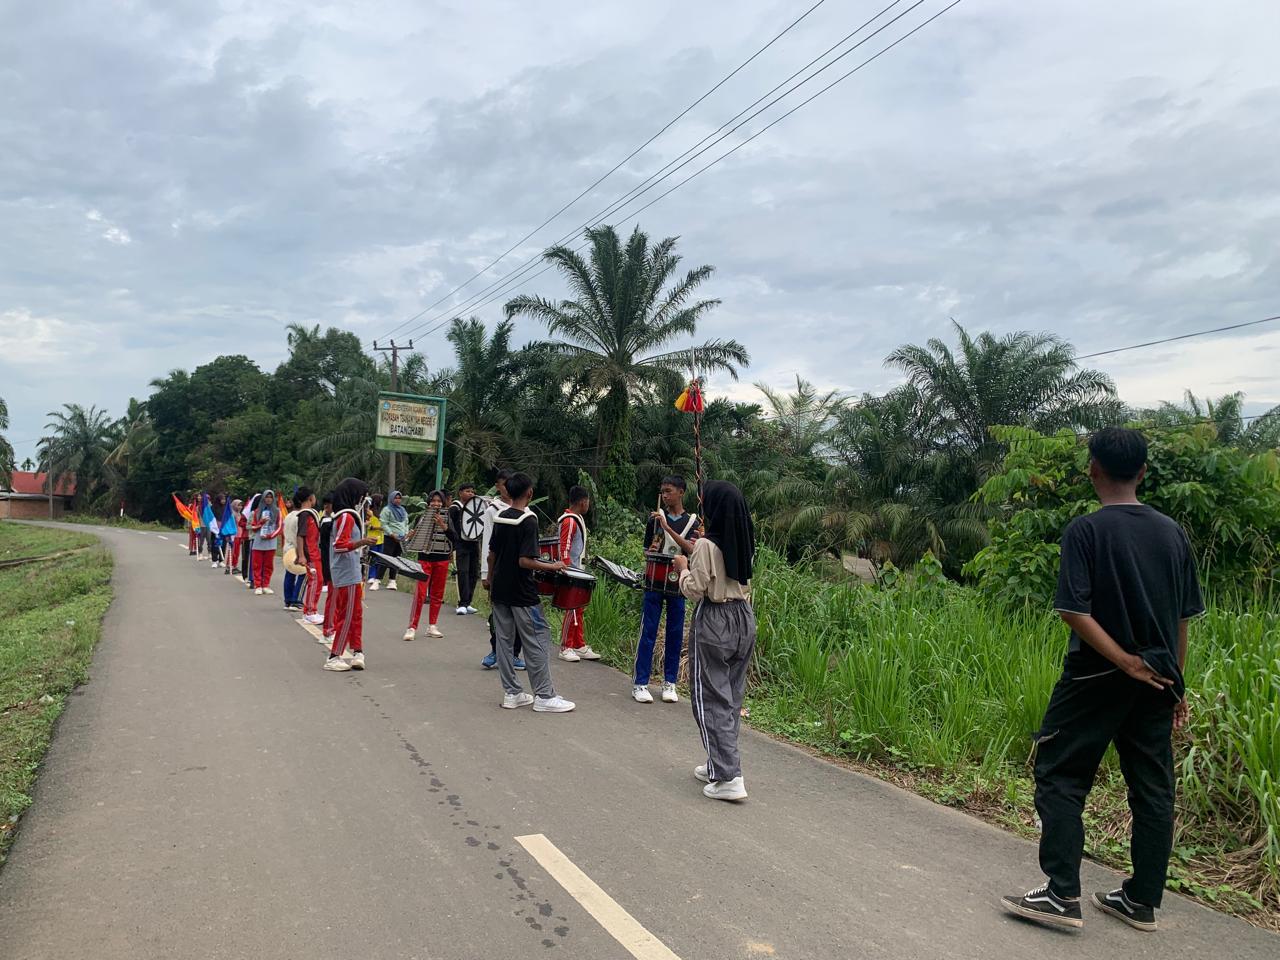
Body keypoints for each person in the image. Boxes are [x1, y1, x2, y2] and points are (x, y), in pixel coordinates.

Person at [1002, 428, 1204, 932]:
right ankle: (1140, 901)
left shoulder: (1086, 531)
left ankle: (1061, 895)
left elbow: (1074, 610)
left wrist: (1123, 660)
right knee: (1153, 788)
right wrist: (1174, 681)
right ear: (1142, 472)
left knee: (1061, 773)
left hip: (1095, 675)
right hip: (1159, 677)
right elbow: (1181, 618)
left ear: (1092, 468)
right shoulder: (1172, 532)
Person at [672, 480, 755, 802]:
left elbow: (696, 588)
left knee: (709, 698)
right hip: (743, 618)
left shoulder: (707, 545)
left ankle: (729, 776)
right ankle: (719, 763)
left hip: (716, 619)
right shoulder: (743, 541)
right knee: (730, 696)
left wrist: (682, 569)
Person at [485, 472, 575, 713]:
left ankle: (512, 693)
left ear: (508, 491)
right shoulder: (528, 520)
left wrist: (489, 579)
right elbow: (525, 561)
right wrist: (553, 565)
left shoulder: (501, 517)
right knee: (537, 639)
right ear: (529, 493)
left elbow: (491, 554)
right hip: (522, 592)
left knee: (504, 642)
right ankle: (544, 695)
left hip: (500, 589)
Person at [633, 475, 700, 704]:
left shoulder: (693, 521)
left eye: (669, 491)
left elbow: (692, 549)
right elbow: (646, 549)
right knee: (648, 630)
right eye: (662, 491)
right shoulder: (654, 519)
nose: (665, 495)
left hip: (678, 582)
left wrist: (667, 528)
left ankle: (669, 682)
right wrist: (653, 546)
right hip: (654, 579)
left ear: (681, 492)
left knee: (675, 632)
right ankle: (640, 682)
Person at [324, 478, 374, 672]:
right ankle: (334, 655)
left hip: (350, 571)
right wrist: (362, 542)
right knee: (346, 615)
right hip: (346, 573)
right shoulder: (346, 517)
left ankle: (357, 650)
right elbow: (339, 545)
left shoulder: (345, 515)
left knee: (356, 613)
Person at [479, 470, 523, 671]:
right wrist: (485, 573)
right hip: (498, 570)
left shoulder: (526, 511)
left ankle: (514, 653)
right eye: (504, 484)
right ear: (498, 486)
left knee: (520, 615)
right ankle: (496, 650)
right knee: (498, 614)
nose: (507, 488)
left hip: (520, 570)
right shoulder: (492, 510)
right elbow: (488, 542)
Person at [556, 485, 601, 663]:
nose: (588, 504)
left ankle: (578, 644)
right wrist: (567, 572)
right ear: (583, 502)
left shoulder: (578, 519)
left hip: (579, 572)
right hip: (571, 573)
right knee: (571, 609)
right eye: (588, 501)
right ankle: (565, 646)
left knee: (579, 609)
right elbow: (564, 548)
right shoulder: (569, 521)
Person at [403, 490, 455, 641]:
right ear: (429, 502)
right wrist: (410, 536)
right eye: (434, 501)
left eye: (439, 501)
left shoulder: (448, 517)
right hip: (424, 559)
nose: (436, 504)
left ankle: (432, 625)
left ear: (443, 503)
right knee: (420, 593)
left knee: (437, 594)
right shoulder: (421, 517)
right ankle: (412, 627)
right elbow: (409, 541)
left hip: (442, 559)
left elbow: (455, 538)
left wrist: (443, 525)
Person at [449, 482, 485, 615]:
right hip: (461, 544)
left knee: (473, 573)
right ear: (460, 493)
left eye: (472, 491)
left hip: (473, 543)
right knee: (462, 572)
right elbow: (450, 527)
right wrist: (453, 545)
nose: (471, 494)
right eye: (468, 491)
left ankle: (468, 602)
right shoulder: (455, 508)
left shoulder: (476, 507)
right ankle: (462, 603)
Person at [294, 487, 324, 625]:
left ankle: (312, 610)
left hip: (315, 552)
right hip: (309, 554)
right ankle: (309, 612)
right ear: (311, 498)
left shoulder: (311, 514)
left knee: (318, 581)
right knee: (314, 581)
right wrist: (301, 555)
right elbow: (300, 535)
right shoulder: (304, 514)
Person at [249, 490, 282, 596]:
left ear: (273, 499)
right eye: (266, 497)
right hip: (258, 541)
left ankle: (266, 585)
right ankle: (258, 585)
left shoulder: (277, 511)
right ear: (263, 498)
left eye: (270, 497)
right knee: (257, 564)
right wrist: (260, 523)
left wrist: (271, 536)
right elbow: (252, 527)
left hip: (271, 542)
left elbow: (280, 527)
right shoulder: (257, 511)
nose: (268, 499)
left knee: (268, 565)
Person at [376, 491, 408, 591]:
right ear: (391, 499)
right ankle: (377, 579)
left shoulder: (403, 510)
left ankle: (392, 581)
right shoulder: (387, 510)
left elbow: (406, 523)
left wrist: (405, 533)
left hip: (401, 538)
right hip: (390, 537)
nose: (398, 500)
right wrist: (391, 533)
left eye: (399, 498)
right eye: (396, 498)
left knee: (396, 559)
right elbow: (383, 523)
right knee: (386, 558)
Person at [281, 493, 305, 610]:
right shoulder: (301, 516)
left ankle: (288, 600)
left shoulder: (288, 516)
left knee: (289, 574)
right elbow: (299, 536)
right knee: (303, 573)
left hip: (287, 547)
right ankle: (296, 599)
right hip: (296, 548)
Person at [319, 495, 336, 643]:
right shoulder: (327, 521)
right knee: (333, 598)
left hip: (334, 565)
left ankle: (333, 627)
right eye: (326, 505)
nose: (327, 508)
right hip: (331, 565)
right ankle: (328, 630)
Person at [365, 494, 386, 591]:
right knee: (373, 558)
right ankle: (371, 576)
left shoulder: (381, 513)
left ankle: (377, 576)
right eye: (380, 500)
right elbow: (368, 525)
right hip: (372, 538)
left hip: (380, 538)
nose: (381, 502)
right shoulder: (369, 512)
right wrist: (378, 528)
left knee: (379, 558)